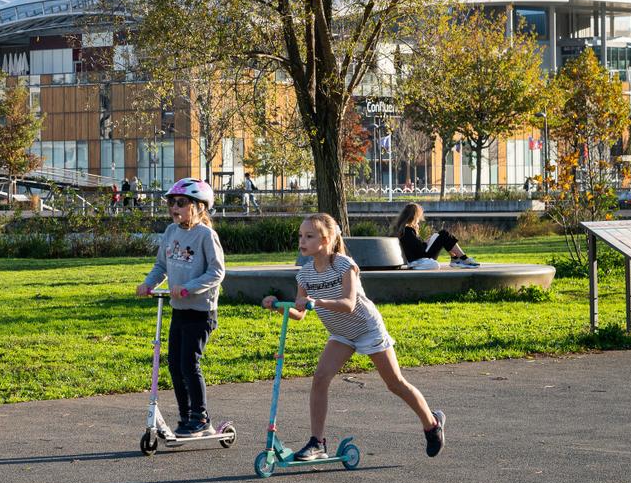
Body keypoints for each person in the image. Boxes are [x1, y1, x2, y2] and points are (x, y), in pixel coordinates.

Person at [261, 212, 445, 460]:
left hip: (367, 328)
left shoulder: (345, 265)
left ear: (326, 240)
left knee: (395, 383)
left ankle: (431, 423)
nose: (302, 241)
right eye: (300, 236)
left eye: (309, 236)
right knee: (320, 379)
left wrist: (317, 300)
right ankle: (317, 442)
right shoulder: (304, 274)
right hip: (341, 333)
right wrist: (278, 306)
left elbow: (348, 303)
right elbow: (300, 313)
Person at [135, 177, 225, 437]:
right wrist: (148, 284)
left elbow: (217, 272)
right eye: (171, 202)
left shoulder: (206, 235)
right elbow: (161, 265)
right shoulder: (171, 232)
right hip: (178, 309)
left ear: (199, 207)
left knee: (189, 363)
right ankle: (186, 416)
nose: (174, 207)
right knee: (174, 363)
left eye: (181, 202)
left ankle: (201, 417)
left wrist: (189, 287)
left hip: (201, 311)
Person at [390, 203, 479, 269]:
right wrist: (426, 243)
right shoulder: (407, 231)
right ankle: (462, 258)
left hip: (420, 256)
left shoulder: (404, 230)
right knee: (443, 234)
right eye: (419, 216)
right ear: (414, 217)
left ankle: (456, 258)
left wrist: (426, 242)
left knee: (441, 235)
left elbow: (415, 247)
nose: (420, 219)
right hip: (420, 258)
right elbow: (419, 251)